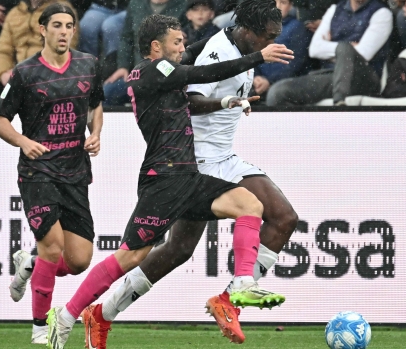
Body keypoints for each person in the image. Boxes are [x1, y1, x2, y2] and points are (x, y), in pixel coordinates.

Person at [45, 13, 293, 349]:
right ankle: (69, 313)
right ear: (155, 46)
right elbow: (199, 72)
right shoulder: (152, 70)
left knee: (249, 205)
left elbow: (196, 68)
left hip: (187, 175)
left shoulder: (164, 69)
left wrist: (227, 97)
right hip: (162, 179)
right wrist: (256, 58)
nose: (183, 48)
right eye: (177, 43)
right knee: (129, 257)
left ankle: (239, 287)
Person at [0, 3, 104, 344]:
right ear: (42, 30)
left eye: (69, 25)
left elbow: (96, 104)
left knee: (79, 259)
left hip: (75, 171)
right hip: (38, 172)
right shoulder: (25, 73)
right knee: (53, 249)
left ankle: (30, 262)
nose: (64, 31)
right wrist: (24, 142)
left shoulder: (88, 65)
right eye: (57, 25)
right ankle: (40, 327)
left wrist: (96, 132)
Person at [266, 0, 392, 106]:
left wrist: (337, 48)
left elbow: (364, 53)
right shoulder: (335, 9)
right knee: (278, 92)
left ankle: (339, 106)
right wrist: (346, 49)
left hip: (362, 77)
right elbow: (314, 49)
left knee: (344, 48)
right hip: (330, 75)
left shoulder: (381, 13)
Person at [0, 0, 80, 106]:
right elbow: (3, 51)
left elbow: (61, 52)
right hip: (16, 77)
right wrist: (4, 74)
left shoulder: (63, 11)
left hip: (47, 77)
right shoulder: (14, 14)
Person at [103, 0, 186, 106]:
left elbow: (190, 37)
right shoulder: (136, 3)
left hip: (168, 73)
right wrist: (123, 66)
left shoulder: (184, 4)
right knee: (107, 93)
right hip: (138, 71)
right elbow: (126, 37)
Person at [253, 0, 312, 97]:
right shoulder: (259, 27)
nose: (277, 6)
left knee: (275, 93)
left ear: (290, 6)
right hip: (258, 82)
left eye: (283, 2)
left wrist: (269, 81)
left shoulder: (298, 28)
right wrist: (256, 77)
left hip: (284, 81)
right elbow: (252, 55)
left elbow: (296, 63)